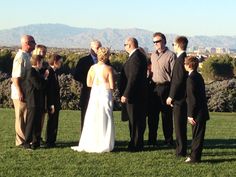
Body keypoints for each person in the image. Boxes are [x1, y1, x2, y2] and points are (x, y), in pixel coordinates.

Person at [71, 47, 115, 153]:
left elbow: (88, 83)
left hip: (95, 94)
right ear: (107, 56)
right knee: (105, 116)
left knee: (93, 116)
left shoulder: (92, 68)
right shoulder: (108, 69)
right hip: (105, 93)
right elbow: (112, 86)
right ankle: (104, 142)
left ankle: (92, 141)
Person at [119, 37, 147, 151]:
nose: (124, 46)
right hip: (136, 95)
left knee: (136, 120)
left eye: (125, 44)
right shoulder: (138, 56)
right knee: (134, 120)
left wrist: (126, 94)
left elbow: (133, 78)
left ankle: (136, 144)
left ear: (130, 45)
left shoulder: (136, 58)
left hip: (135, 96)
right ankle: (134, 142)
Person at [150, 32, 176, 146]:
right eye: (154, 42)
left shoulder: (171, 55)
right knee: (152, 116)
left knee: (166, 116)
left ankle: (168, 140)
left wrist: (172, 93)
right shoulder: (153, 55)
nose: (156, 44)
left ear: (164, 41)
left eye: (158, 41)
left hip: (166, 87)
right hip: (154, 87)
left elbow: (174, 75)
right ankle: (152, 140)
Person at [11, 35, 36, 146]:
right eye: (33, 42)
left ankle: (26, 139)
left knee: (25, 116)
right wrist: (20, 91)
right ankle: (20, 141)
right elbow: (16, 77)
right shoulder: (21, 57)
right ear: (26, 43)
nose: (35, 44)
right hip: (20, 93)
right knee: (21, 116)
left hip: (26, 91)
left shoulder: (27, 56)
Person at [184, 56, 210, 163]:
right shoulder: (198, 76)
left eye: (185, 63)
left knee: (197, 136)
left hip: (197, 113)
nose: (184, 65)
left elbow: (192, 98)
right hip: (201, 111)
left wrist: (190, 114)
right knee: (197, 136)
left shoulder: (190, 79)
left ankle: (194, 158)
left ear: (189, 65)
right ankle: (193, 156)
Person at [166, 36, 189, 157]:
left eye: (173, 44)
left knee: (179, 126)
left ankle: (181, 150)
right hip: (182, 98)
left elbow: (178, 80)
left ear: (179, 45)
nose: (173, 46)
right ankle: (181, 149)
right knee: (180, 125)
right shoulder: (183, 58)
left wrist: (171, 96)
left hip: (179, 99)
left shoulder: (180, 60)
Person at [74, 40, 102, 132]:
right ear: (91, 49)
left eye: (100, 48)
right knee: (85, 115)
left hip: (100, 94)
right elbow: (76, 75)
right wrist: (89, 81)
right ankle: (84, 136)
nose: (99, 50)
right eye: (97, 48)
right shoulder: (83, 61)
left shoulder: (105, 61)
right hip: (87, 92)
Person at [22, 55, 48, 149]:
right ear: (37, 62)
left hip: (38, 101)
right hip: (33, 101)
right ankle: (27, 142)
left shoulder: (36, 72)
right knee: (31, 122)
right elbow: (39, 86)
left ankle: (36, 142)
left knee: (37, 123)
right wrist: (45, 78)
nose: (42, 64)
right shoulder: (31, 72)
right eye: (41, 62)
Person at [45, 54, 63, 148]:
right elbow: (49, 90)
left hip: (55, 101)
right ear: (55, 62)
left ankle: (52, 140)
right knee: (51, 121)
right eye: (60, 62)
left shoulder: (54, 72)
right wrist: (51, 103)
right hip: (51, 101)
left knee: (54, 120)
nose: (61, 64)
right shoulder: (49, 71)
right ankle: (49, 140)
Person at [32, 44, 48, 144]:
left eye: (45, 52)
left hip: (43, 93)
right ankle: (32, 138)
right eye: (42, 51)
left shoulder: (44, 64)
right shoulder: (33, 65)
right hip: (35, 94)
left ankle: (38, 136)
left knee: (42, 116)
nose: (44, 53)